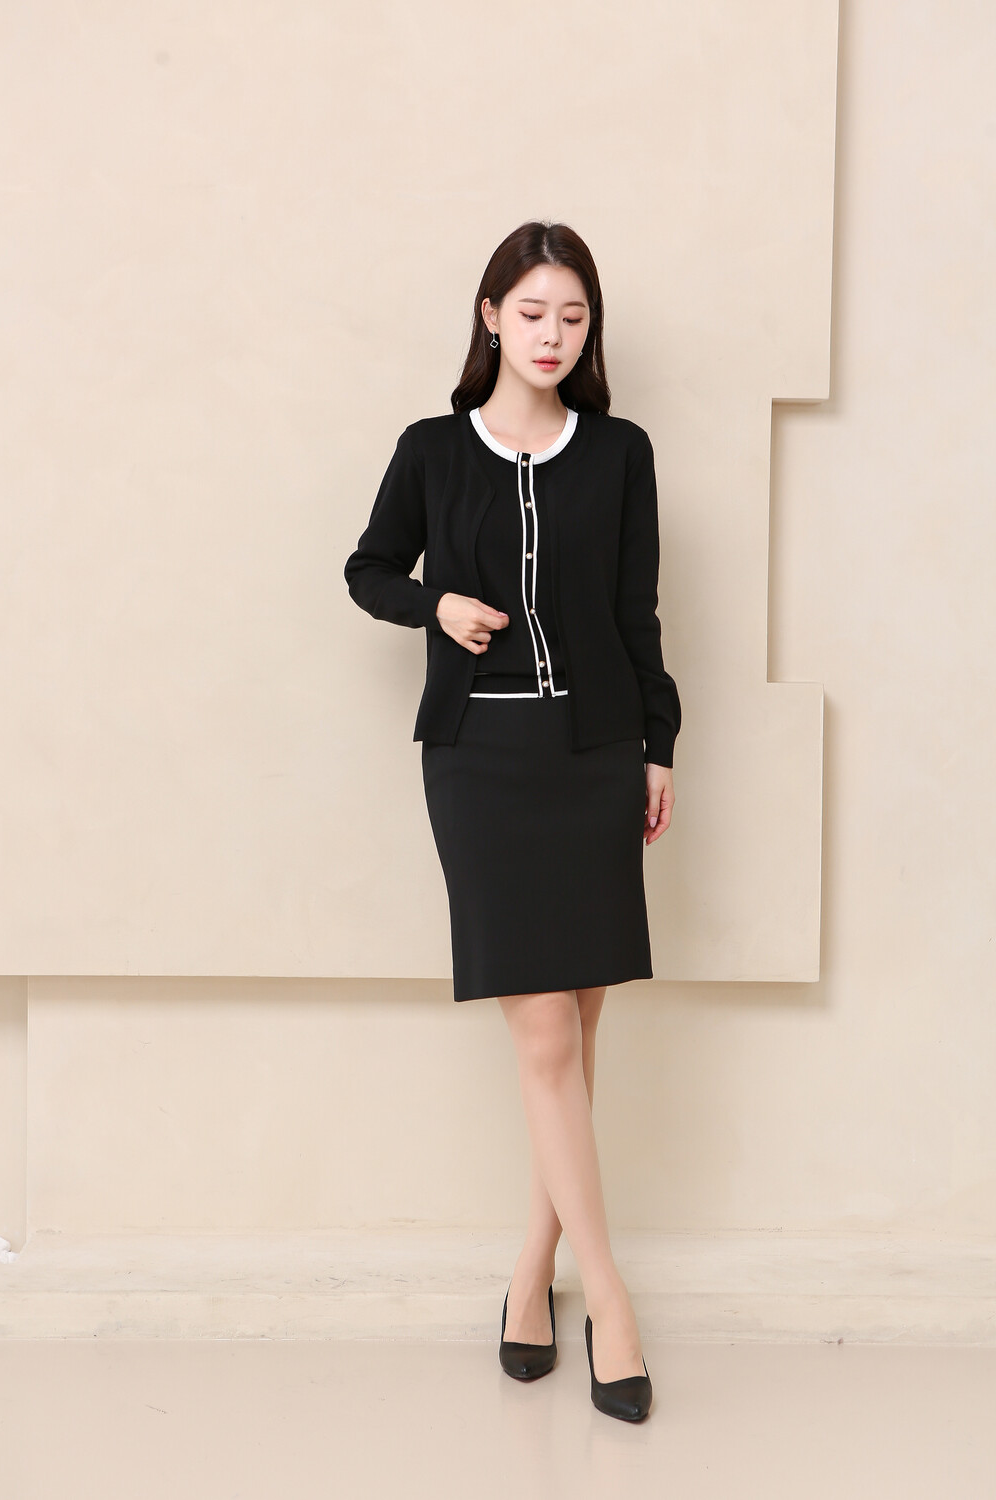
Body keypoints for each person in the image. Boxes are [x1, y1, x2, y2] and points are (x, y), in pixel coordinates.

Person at [344, 220, 681, 1422]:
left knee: (575, 1038)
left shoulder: (620, 454)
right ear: (490, 315)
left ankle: (530, 1275)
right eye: (532, 312)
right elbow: (368, 570)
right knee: (544, 1041)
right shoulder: (432, 450)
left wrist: (656, 745)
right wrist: (436, 603)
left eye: (573, 317)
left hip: (593, 762)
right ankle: (613, 1305)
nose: (552, 335)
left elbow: (636, 612)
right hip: (480, 766)